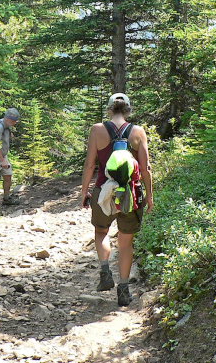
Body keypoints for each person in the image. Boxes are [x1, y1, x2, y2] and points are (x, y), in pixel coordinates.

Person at [80, 93, 154, 306]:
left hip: (104, 191)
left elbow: (89, 164)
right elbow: (146, 168)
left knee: (101, 232)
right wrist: (150, 197)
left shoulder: (97, 130)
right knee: (126, 242)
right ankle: (123, 289)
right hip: (131, 194)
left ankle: (105, 270)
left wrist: (84, 192)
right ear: (128, 110)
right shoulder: (138, 132)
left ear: (109, 109)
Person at [0, 108, 21, 205]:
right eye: (13, 121)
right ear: (7, 119)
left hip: (2, 157)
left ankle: (6, 199)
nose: (15, 123)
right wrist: (2, 160)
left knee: (8, 176)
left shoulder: (6, 126)